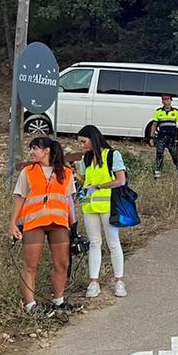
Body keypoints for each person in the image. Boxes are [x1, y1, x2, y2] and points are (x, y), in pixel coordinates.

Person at [9, 137, 78, 316]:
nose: (31, 152)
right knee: (30, 265)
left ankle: (59, 301)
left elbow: (69, 200)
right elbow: (19, 197)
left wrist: (74, 225)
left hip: (59, 223)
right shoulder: (28, 171)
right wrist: (13, 224)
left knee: (62, 263)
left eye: (35, 149)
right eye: (30, 149)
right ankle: (31, 305)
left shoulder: (66, 172)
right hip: (34, 223)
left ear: (46, 150)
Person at [75, 125, 129, 299]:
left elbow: (121, 180)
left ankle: (119, 281)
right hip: (89, 206)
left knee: (113, 243)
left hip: (108, 206)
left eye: (84, 141)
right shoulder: (86, 158)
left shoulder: (113, 155)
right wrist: (76, 176)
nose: (82, 145)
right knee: (94, 243)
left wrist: (98, 186)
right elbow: (86, 180)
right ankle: (94, 282)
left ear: (93, 138)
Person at [153, 94, 178, 178]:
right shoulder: (158, 112)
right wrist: (151, 137)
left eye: (168, 100)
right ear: (162, 101)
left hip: (172, 137)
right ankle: (157, 173)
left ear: (171, 100)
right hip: (161, 136)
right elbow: (154, 124)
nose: (166, 102)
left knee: (174, 155)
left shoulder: (175, 112)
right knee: (159, 154)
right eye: (164, 100)